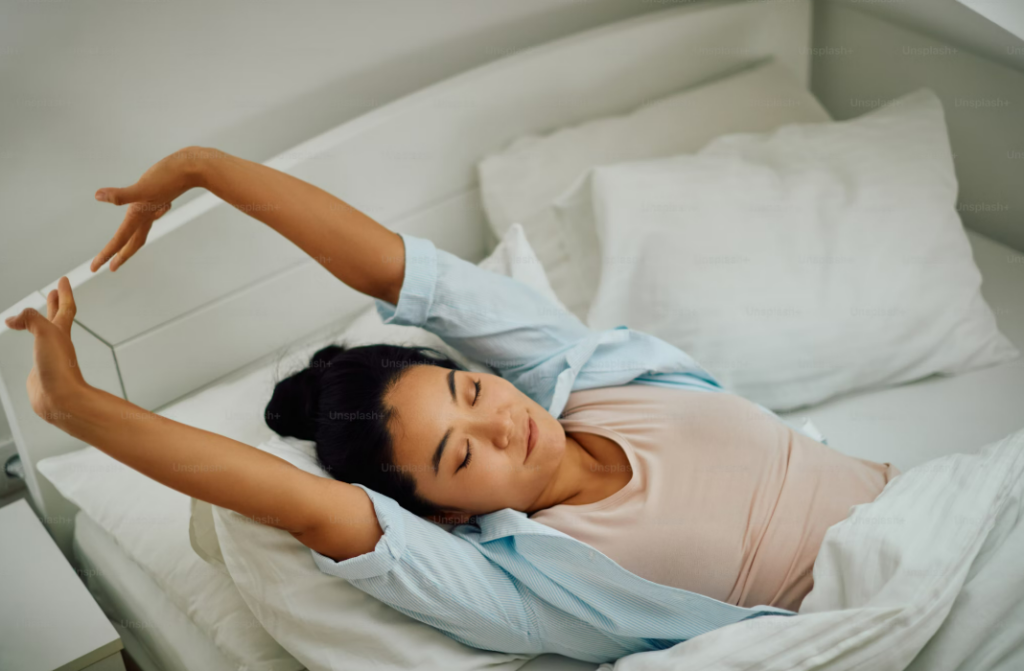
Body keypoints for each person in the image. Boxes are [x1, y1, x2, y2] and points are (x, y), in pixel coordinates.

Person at [4, 146, 899, 664]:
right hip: (876, 619)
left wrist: (204, 168)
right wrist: (75, 407)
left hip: (931, 511)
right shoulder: (525, 583)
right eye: (464, 456)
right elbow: (306, 505)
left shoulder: (573, 372)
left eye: (470, 392)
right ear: (446, 510)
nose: (499, 422)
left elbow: (400, 271)